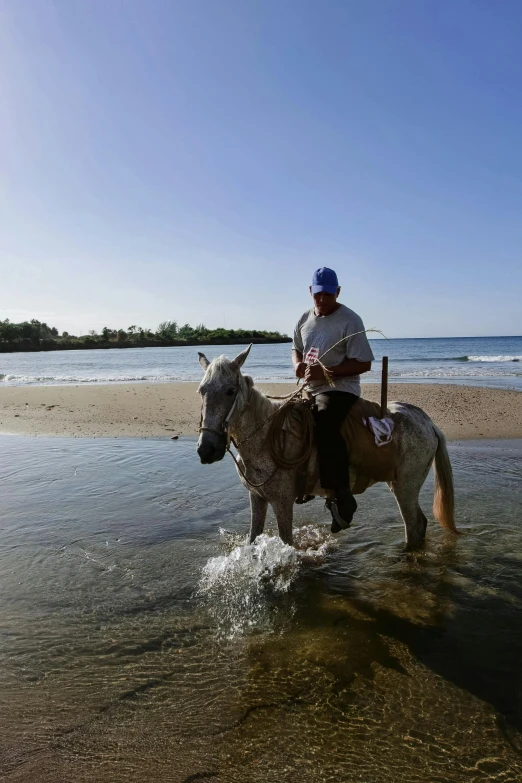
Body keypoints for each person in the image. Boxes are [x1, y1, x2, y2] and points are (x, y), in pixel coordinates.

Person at [292, 267, 374, 531]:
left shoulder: (350, 320)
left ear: (337, 292)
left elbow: (363, 363)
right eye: (318, 294)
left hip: (340, 388)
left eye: (329, 294)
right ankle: (301, 480)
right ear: (310, 292)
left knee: (324, 421)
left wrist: (326, 371)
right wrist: (297, 364)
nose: (323, 300)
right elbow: (296, 347)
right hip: (308, 388)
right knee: (285, 421)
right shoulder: (304, 318)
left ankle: (341, 495)